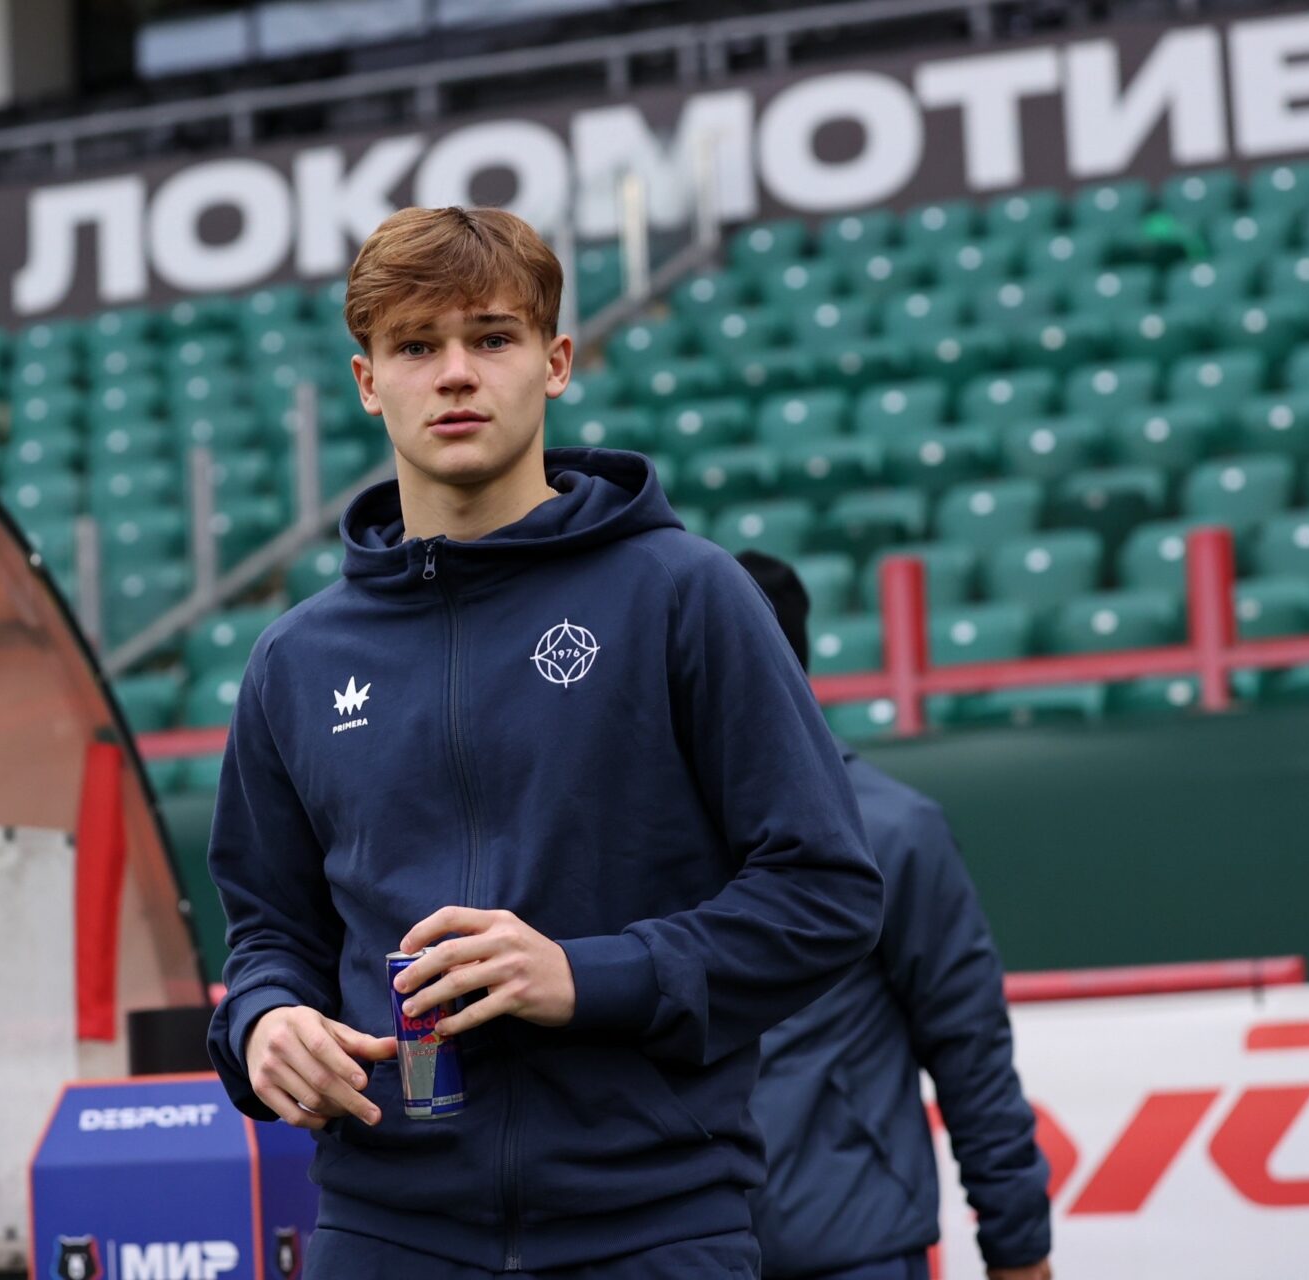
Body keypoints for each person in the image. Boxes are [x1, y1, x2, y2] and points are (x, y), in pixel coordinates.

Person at [204, 206, 884, 1278]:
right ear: (367, 382)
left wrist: (587, 974)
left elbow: (826, 892)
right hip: (383, 1230)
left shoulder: (684, 594)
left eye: (492, 337)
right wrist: (264, 1020)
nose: (455, 374)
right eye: (415, 346)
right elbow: (269, 930)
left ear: (556, 361)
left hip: (651, 1224)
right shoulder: (294, 660)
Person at [736, 550, 1054, 1280]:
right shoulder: (645, 830)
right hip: (682, 1250)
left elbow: (968, 1043)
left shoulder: (893, 829)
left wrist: (1017, 1240)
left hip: (853, 1250)